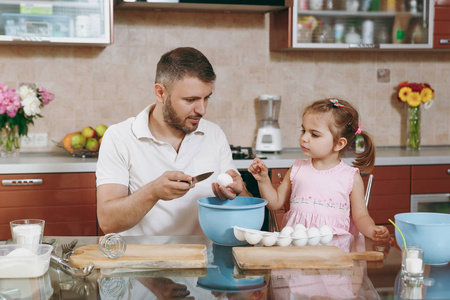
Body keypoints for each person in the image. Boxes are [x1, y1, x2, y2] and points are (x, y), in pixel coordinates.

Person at [96, 47, 251, 236]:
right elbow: (108, 222)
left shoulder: (214, 134)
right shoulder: (119, 137)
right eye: (191, 99)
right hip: (138, 263)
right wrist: (152, 192)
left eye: (206, 98)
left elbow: (242, 210)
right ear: (161, 93)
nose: (201, 110)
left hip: (202, 259)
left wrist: (239, 192)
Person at [248, 98, 390, 242]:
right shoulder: (297, 169)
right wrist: (264, 180)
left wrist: (372, 230)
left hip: (334, 253)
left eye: (314, 134)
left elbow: (361, 217)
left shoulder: (350, 177)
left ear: (339, 143)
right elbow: (275, 203)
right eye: (303, 130)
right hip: (297, 253)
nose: (304, 138)